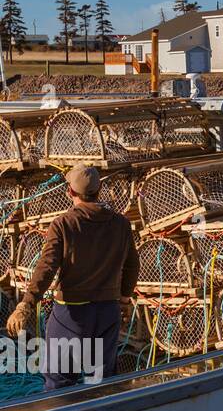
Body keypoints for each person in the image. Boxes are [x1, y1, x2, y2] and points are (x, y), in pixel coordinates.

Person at [5, 163, 139, 391]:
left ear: (70, 192)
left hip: (71, 315)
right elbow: (132, 265)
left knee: (59, 382)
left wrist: (27, 303)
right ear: (98, 192)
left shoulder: (64, 224)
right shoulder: (121, 224)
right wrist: (125, 300)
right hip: (107, 313)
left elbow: (46, 267)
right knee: (102, 381)